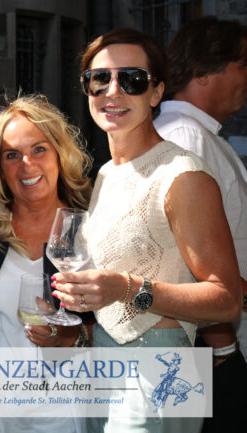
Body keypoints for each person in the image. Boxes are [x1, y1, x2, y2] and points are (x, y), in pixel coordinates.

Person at [51, 28, 242, 432]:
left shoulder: (183, 175)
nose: (113, 91)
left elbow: (226, 300)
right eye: (99, 79)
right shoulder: (107, 173)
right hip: (105, 367)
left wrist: (125, 288)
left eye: (132, 80)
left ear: (156, 93)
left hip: (161, 369)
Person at [0, 95, 93, 433]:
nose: (27, 164)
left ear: (59, 153)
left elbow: (116, 323)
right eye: (12, 155)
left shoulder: (89, 229)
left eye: (39, 149)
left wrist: (71, 336)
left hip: (61, 405)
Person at [152, 16, 247, 432]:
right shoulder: (185, 138)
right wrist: (224, 350)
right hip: (208, 351)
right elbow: (184, 259)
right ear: (203, 71)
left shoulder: (197, 134)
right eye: (243, 64)